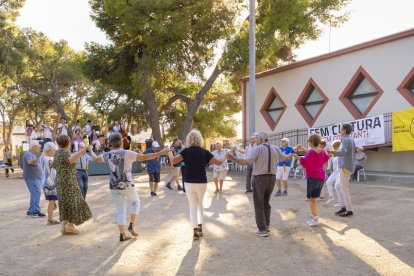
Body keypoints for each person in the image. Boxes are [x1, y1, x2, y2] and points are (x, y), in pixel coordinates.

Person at [90, 132, 170, 241]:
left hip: (113, 185)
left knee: (120, 210)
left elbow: (95, 159)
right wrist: (160, 152)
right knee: (136, 202)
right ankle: (132, 225)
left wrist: (90, 150)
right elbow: (144, 157)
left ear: (110, 143)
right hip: (127, 184)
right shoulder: (127, 153)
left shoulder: (107, 154)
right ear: (121, 141)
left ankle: (122, 234)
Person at [227, 131, 291, 237]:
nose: (255, 140)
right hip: (272, 179)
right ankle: (266, 225)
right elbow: (286, 158)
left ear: (261, 139)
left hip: (260, 178)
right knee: (266, 202)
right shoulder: (275, 148)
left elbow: (246, 162)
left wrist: (232, 158)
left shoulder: (258, 149)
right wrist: (292, 154)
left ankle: (262, 229)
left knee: (259, 204)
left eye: (256, 138)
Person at [168, 129, 226, 240]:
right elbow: (219, 162)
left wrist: (169, 152)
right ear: (200, 140)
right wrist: (225, 155)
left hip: (189, 181)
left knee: (192, 206)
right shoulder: (204, 151)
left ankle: (194, 230)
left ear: (189, 140)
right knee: (200, 205)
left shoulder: (186, 151)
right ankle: (200, 228)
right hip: (201, 182)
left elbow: (174, 161)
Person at [53, 135, 92, 235]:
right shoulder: (66, 153)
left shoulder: (57, 153)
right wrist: (84, 149)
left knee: (65, 203)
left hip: (59, 180)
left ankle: (63, 227)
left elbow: (53, 165)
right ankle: (70, 225)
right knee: (75, 201)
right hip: (68, 181)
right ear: (68, 142)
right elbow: (71, 159)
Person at [294, 134, 330, 227]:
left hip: (313, 176)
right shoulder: (321, 151)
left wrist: (296, 156)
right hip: (321, 176)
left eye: (309, 141)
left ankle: (315, 218)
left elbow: (305, 162)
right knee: (313, 198)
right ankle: (314, 215)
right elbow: (326, 157)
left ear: (312, 142)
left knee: (312, 199)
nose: (308, 142)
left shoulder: (311, 152)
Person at [327, 123, 356, 217]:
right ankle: (344, 207)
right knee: (338, 187)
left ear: (344, 131)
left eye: (341, 129)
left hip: (345, 168)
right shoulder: (349, 139)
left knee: (343, 188)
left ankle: (349, 210)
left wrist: (332, 152)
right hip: (346, 167)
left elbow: (343, 152)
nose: (339, 131)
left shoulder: (346, 140)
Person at [22, 141, 45, 218]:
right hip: (32, 177)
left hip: (35, 177)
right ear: (34, 146)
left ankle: (31, 210)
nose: (39, 148)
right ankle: (36, 211)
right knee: (37, 193)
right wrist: (39, 158)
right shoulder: (28, 154)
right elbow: (30, 162)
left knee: (34, 193)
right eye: (38, 147)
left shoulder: (32, 154)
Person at [40, 142, 60, 225]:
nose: (54, 152)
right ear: (49, 150)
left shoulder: (43, 158)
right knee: (52, 201)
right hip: (50, 183)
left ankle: (50, 219)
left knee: (52, 201)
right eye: (53, 150)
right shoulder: (49, 159)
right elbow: (53, 171)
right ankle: (50, 219)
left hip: (46, 181)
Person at [324, 140, 342, 205]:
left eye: (333, 147)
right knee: (328, 182)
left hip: (339, 173)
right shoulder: (335, 154)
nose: (332, 148)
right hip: (334, 173)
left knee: (338, 187)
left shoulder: (341, 153)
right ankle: (331, 197)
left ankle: (340, 202)